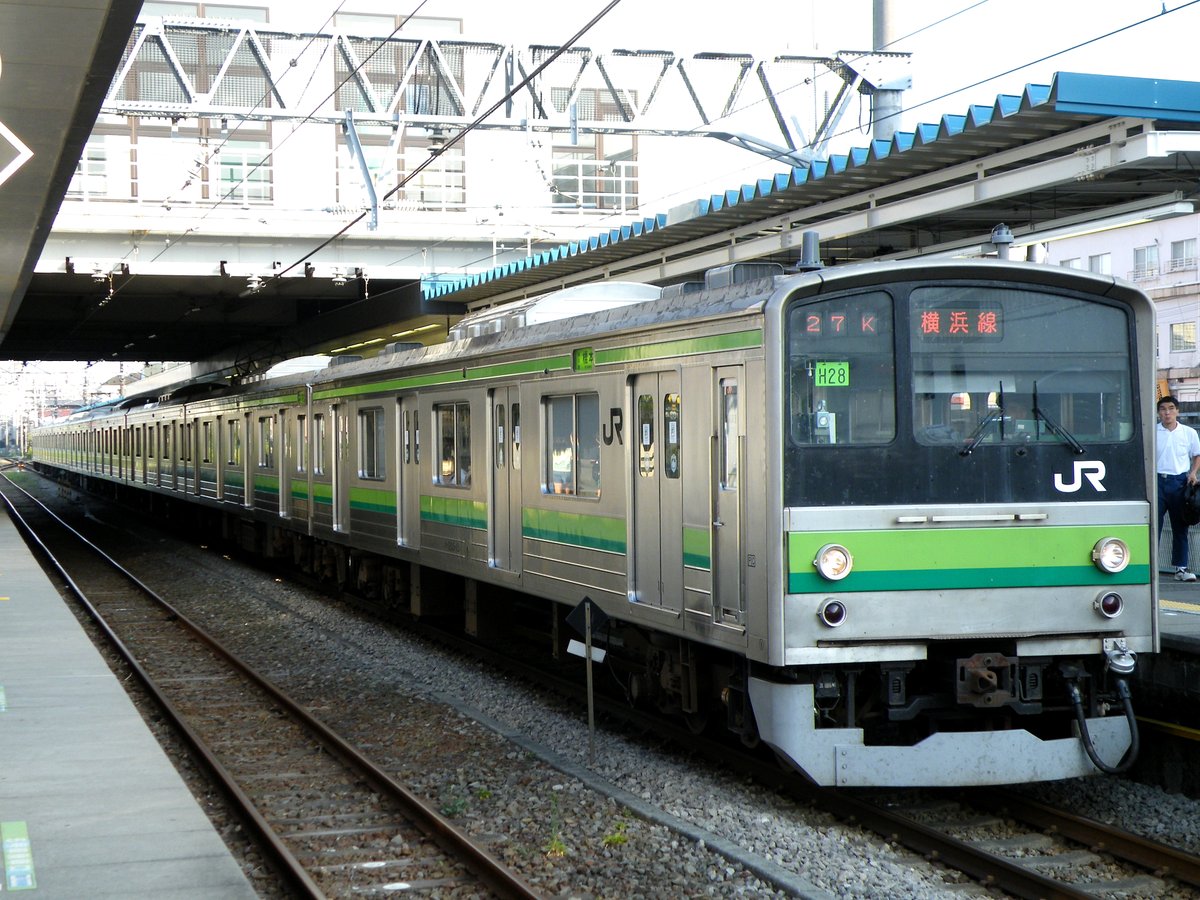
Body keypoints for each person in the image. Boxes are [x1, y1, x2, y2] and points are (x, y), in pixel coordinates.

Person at [1156, 395, 1200, 581]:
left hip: (1179, 483)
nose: (1167, 412)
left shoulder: (1189, 432)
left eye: (1171, 408)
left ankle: (1180, 569)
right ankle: (1149, 567)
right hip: (1156, 481)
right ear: (1158, 412)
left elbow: (1197, 455)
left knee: (1180, 526)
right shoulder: (1152, 431)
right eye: (1163, 409)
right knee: (1152, 527)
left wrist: (1193, 473)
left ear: (1177, 411)